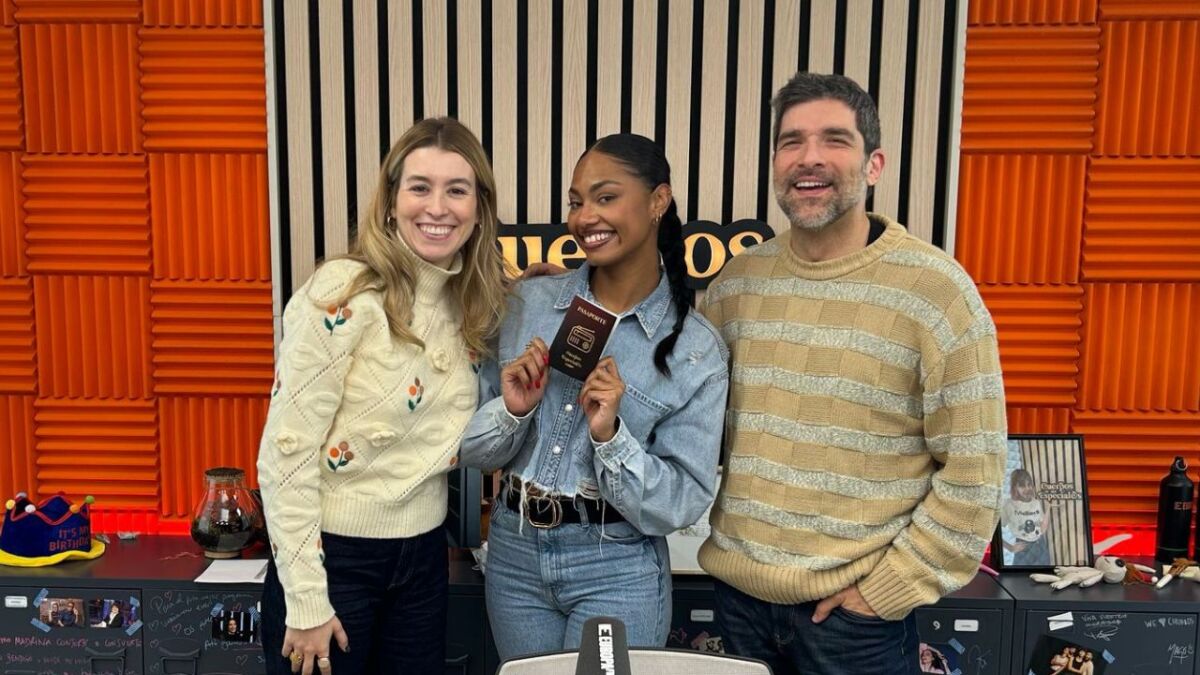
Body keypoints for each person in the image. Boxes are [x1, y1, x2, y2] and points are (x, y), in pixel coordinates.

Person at [698, 72, 1007, 674]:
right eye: (791, 141)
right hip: (739, 610)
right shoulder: (736, 286)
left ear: (873, 165)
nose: (809, 157)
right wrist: (574, 289)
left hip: (855, 626)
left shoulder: (938, 293)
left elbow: (976, 474)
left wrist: (885, 591)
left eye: (834, 139)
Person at [459, 134, 728, 661]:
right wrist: (513, 410)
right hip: (514, 556)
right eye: (576, 201)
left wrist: (611, 438)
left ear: (658, 200)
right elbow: (470, 451)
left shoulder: (696, 351)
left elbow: (681, 501)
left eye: (606, 197)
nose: (585, 217)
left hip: (617, 566)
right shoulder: (526, 305)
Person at [257, 117, 510, 675]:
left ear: (479, 209)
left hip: (423, 559)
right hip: (332, 558)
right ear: (391, 201)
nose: (437, 207)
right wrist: (306, 598)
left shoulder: (473, 304)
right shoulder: (342, 293)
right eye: (420, 187)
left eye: (457, 190)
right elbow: (284, 454)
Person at [1002, 468, 1051, 566]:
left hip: (1040, 546)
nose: (1027, 489)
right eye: (1022, 485)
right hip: (1023, 547)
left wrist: (1049, 507)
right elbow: (993, 531)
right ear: (1015, 487)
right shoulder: (1009, 505)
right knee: (1021, 575)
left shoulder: (1036, 503)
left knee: (1044, 574)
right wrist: (1010, 547)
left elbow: (1042, 529)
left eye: (1029, 485)